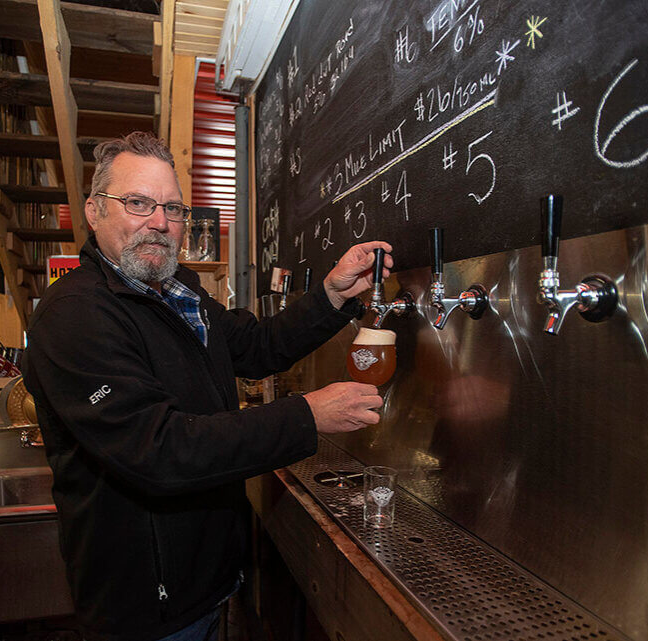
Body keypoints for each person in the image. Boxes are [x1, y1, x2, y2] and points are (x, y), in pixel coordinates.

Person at [22, 131, 393, 641]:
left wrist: (332, 295)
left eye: (173, 208)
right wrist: (306, 416)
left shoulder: (179, 293)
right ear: (94, 210)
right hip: (147, 605)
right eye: (138, 203)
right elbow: (158, 450)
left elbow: (258, 347)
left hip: (206, 577)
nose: (159, 223)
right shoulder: (76, 314)